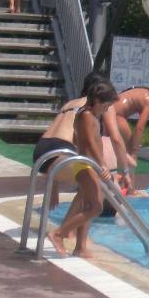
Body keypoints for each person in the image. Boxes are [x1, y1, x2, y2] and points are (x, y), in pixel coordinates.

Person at [33, 72, 134, 210]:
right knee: (99, 184)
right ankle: (72, 224)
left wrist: (53, 184)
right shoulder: (102, 104)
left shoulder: (70, 103)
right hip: (63, 151)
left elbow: (57, 142)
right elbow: (116, 139)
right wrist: (126, 172)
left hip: (41, 150)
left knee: (88, 184)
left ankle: (74, 223)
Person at [46, 81, 120, 258]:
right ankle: (59, 234)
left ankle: (80, 247)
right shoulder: (86, 115)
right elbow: (91, 143)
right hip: (87, 165)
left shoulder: (87, 115)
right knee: (96, 207)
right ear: (98, 101)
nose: (106, 110)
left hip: (90, 164)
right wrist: (102, 164)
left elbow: (78, 138)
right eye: (106, 106)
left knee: (88, 205)